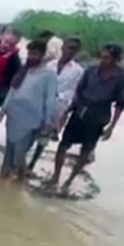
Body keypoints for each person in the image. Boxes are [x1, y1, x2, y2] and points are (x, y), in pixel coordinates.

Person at [46, 43, 124, 194]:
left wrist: (111, 127)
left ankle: (69, 181)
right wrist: (68, 111)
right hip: (80, 110)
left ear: (115, 59)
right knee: (63, 144)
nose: (102, 60)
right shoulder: (91, 71)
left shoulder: (122, 77)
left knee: (86, 151)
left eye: (107, 58)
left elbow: (120, 104)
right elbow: (79, 91)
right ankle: (55, 176)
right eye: (101, 57)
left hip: (99, 115)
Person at [0, 39, 57, 181]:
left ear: (42, 55)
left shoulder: (49, 75)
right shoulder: (24, 70)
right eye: (29, 53)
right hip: (14, 115)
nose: (31, 57)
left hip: (33, 119)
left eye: (35, 54)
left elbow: (50, 100)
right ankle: (3, 178)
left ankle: (20, 180)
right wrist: (3, 109)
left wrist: (47, 122)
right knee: (9, 151)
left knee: (20, 154)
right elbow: (13, 90)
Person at [27, 36, 84, 171]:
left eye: (74, 49)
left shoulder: (78, 71)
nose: (70, 51)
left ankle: (32, 164)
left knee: (43, 139)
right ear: (62, 47)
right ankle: (20, 161)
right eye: (69, 47)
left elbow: (73, 92)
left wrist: (63, 109)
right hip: (39, 104)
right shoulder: (49, 65)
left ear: (77, 51)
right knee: (29, 133)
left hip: (57, 108)